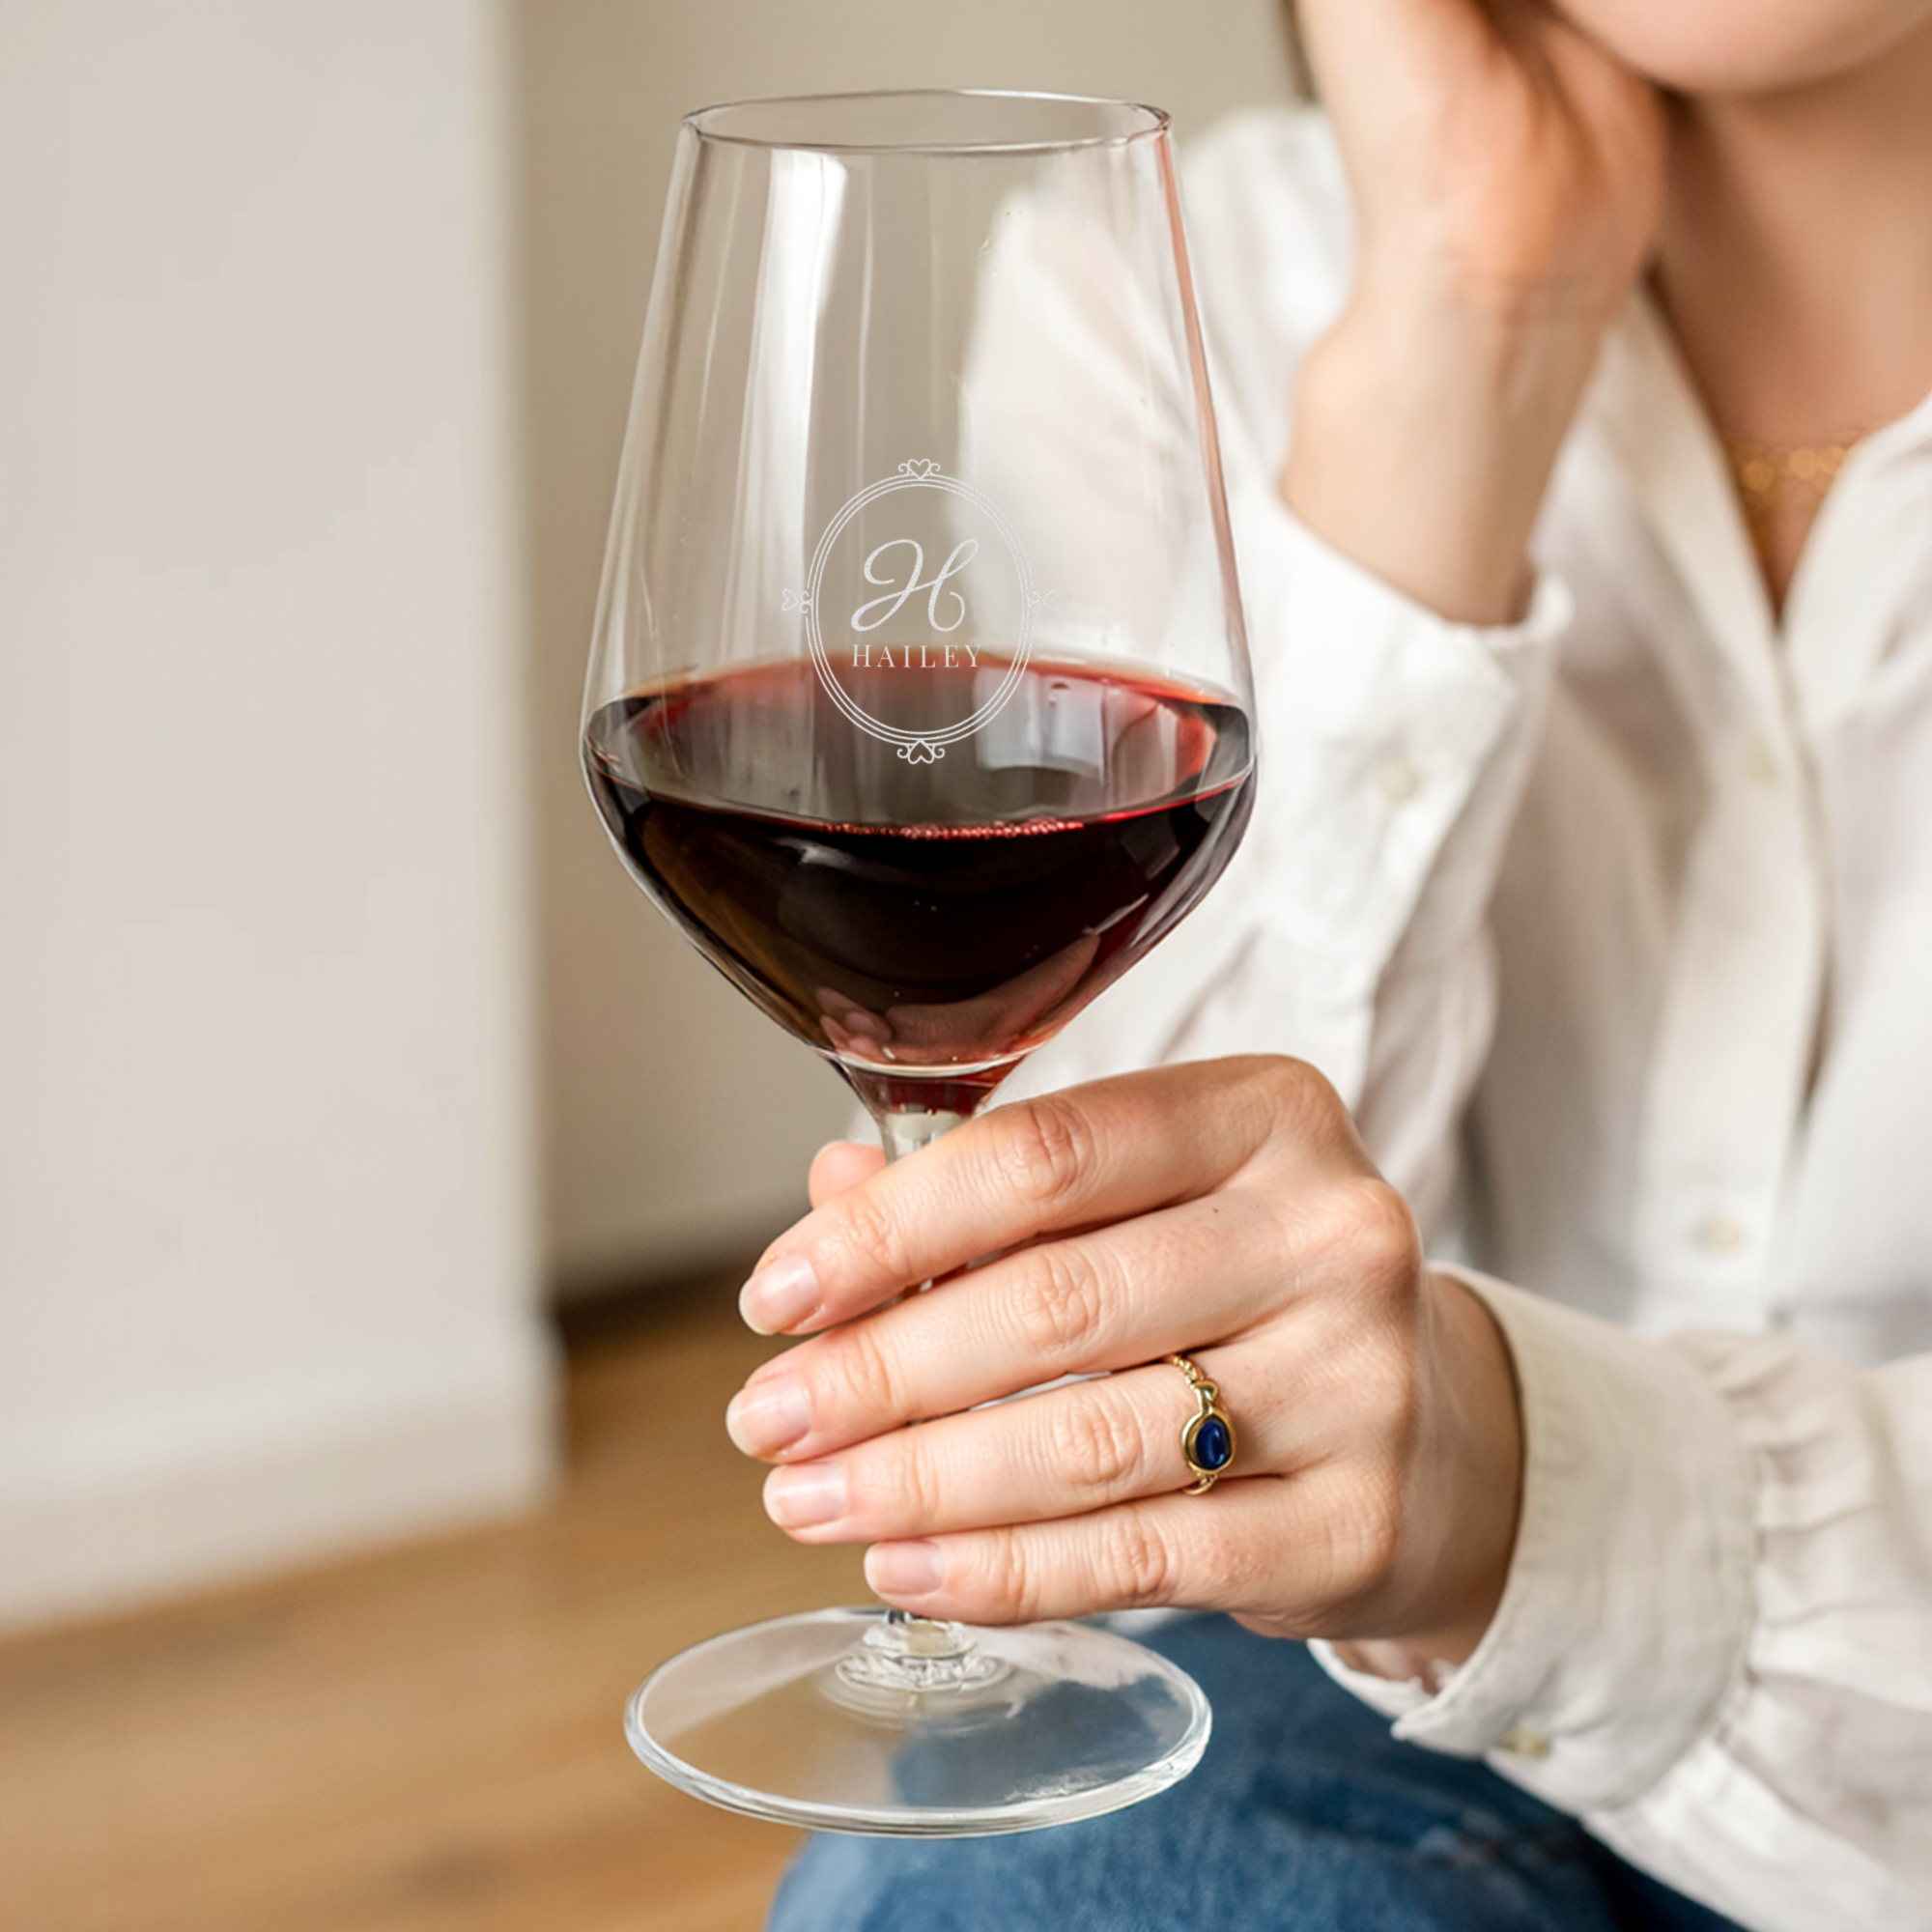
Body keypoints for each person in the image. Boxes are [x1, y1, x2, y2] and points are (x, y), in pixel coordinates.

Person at [736, 1, 1932, 1925]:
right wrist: (1467, 325)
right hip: (1429, 1744)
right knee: (1066, 1870)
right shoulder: (1190, 281)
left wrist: (1528, 1493)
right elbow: (1125, 1545)